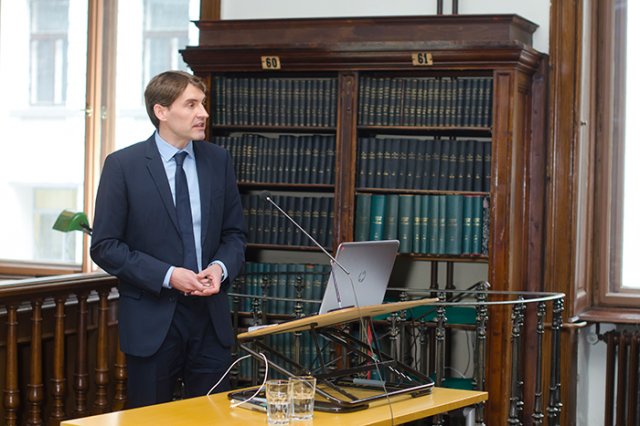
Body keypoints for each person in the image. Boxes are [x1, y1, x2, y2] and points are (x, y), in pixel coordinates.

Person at [90, 70, 246, 408]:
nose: (203, 113)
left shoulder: (218, 160)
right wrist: (169, 275)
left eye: (202, 104)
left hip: (210, 319)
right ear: (161, 111)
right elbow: (104, 246)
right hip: (152, 319)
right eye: (191, 105)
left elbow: (234, 235)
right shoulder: (123, 165)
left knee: (212, 418)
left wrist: (220, 268)